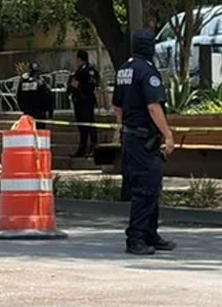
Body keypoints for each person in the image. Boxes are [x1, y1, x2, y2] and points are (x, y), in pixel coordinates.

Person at [112, 30, 176, 256]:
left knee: (149, 187)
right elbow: (153, 106)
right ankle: (136, 238)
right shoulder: (147, 72)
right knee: (145, 189)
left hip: (132, 137)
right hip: (143, 139)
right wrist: (167, 134)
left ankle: (150, 233)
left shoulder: (124, 70)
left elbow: (117, 106)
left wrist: (124, 128)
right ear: (150, 47)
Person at [70, 50, 101, 158]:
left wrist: (77, 86)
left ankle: (93, 146)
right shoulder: (79, 71)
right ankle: (82, 149)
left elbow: (91, 85)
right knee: (82, 126)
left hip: (86, 101)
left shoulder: (88, 71)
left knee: (89, 124)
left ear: (79, 59)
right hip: (78, 101)